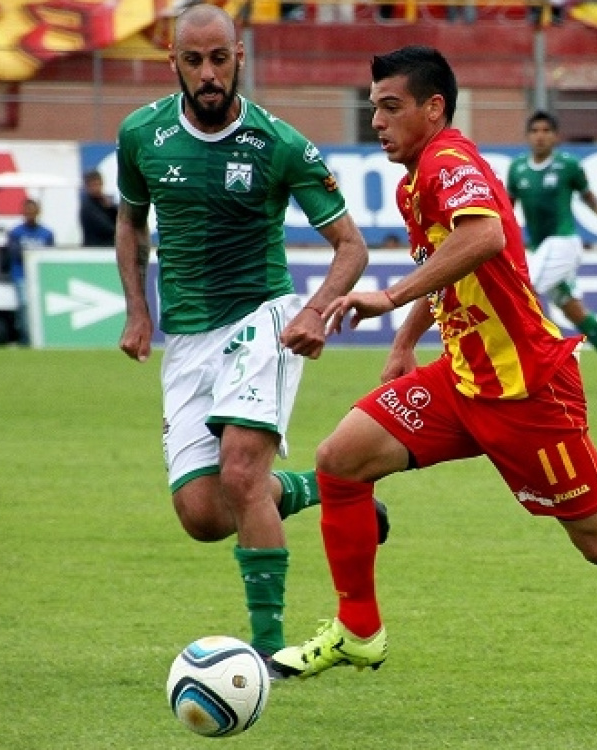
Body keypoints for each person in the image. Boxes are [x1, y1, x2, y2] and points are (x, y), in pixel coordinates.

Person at [271, 46, 597, 704]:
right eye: (373, 106)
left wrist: (390, 298)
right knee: (341, 459)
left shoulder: (447, 162)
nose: (377, 120)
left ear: (433, 108)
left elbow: (484, 238)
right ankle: (358, 630)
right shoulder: (417, 180)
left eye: (391, 106)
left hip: (527, 391)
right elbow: (450, 262)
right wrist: (406, 342)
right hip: (462, 379)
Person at [114, 4, 388, 677]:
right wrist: (137, 311)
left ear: (239, 56)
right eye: (193, 61)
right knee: (204, 515)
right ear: (173, 62)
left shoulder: (279, 144)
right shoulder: (141, 135)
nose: (208, 74)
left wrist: (314, 311)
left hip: (261, 320)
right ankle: (324, 487)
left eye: (219, 59)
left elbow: (351, 246)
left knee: (240, 474)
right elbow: (130, 221)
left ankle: (266, 653)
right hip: (187, 338)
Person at [507, 110, 597, 394]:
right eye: (535, 131)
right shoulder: (518, 169)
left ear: (555, 136)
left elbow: (587, 195)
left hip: (563, 244)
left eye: (546, 131)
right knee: (571, 308)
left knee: (523, 292)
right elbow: (508, 208)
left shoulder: (568, 166)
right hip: (540, 249)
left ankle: (541, 362)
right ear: (527, 136)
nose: (540, 136)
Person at [3, 198, 54, 344]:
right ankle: (26, 338)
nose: (30, 214)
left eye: (33, 211)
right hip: (21, 274)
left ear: (38, 212)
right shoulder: (16, 233)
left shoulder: (47, 233)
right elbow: (14, 254)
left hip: (40, 276)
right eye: (27, 211)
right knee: (24, 305)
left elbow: (50, 255)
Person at [79, 170, 118, 247]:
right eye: (92, 185)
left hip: (109, 246)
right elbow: (106, 228)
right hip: (95, 248)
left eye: (98, 184)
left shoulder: (106, 202)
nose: (96, 188)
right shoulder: (87, 206)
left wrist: (110, 208)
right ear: (86, 186)